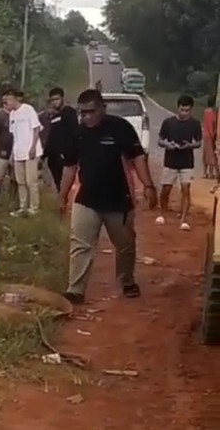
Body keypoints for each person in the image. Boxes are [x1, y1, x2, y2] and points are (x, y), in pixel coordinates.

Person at [58, 89, 156, 305]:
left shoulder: (120, 128)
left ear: (102, 108)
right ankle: (75, 289)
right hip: (88, 199)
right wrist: (62, 195)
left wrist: (148, 185)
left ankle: (127, 280)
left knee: (125, 244)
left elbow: (137, 157)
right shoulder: (78, 133)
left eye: (91, 112)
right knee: (80, 244)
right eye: (83, 113)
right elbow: (70, 167)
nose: (87, 117)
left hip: (118, 199)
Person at [155, 95, 202, 231]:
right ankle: (162, 213)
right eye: (182, 110)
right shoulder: (168, 122)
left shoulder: (195, 124)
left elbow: (198, 142)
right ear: (178, 108)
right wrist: (168, 144)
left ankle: (184, 219)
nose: (184, 113)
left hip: (187, 162)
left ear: (191, 110)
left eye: (187, 110)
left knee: (186, 189)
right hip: (170, 160)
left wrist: (189, 145)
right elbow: (160, 140)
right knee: (166, 190)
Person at [4, 89, 43, 215]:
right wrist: (12, 154)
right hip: (18, 152)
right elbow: (15, 136)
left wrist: (33, 147)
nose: (6, 104)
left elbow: (36, 128)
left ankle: (34, 207)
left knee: (31, 181)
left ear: (14, 99)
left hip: (30, 151)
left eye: (7, 101)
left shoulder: (28, 109)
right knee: (20, 181)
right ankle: (23, 206)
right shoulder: (12, 115)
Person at [43, 87, 78, 191]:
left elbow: (72, 132)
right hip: (53, 156)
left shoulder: (69, 112)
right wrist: (45, 154)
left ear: (62, 98)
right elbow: (52, 136)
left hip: (65, 155)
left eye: (57, 99)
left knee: (67, 183)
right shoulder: (53, 116)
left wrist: (69, 151)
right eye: (53, 100)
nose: (55, 102)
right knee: (59, 183)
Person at [202, 96, 217, 179]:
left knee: (205, 154)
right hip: (210, 135)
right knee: (211, 154)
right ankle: (210, 173)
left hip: (205, 135)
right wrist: (213, 135)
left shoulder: (206, 111)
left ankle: (205, 172)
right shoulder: (212, 113)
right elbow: (211, 125)